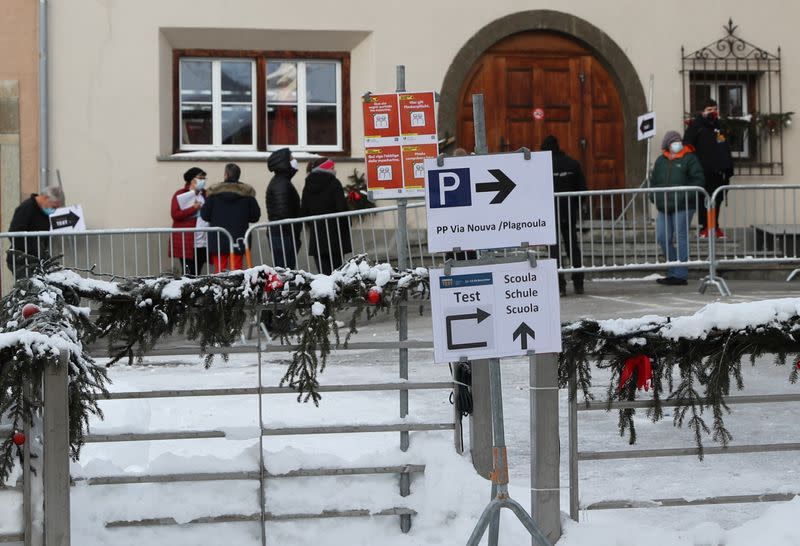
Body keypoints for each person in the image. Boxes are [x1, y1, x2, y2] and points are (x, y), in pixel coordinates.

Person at [649, 130, 705, 286]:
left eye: (678, 141)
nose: (677, 143)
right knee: (662, 237)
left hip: (683, 205)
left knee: (681, 237)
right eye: (674, 141)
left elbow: (698, 179)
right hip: (664, 206)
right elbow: (653, 183)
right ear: (667, 145)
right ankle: (673, 269)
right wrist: (654, 197)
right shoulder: (661, 161)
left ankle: (680, 274)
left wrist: (683, 196)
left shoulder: (690, 159)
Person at [541, 135, 587, 296]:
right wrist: (580, 208)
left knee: (554, 252)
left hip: (549, 214)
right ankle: (578, 283)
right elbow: (582, 189)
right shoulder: (572, 164)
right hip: (568, 212)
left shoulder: (541, 165)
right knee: (572, 247)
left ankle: (559, 286)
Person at [683, 99, 734, 238]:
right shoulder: (696, 126)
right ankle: (705, 227)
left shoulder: (720, 126)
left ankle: (714, 226)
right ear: (703, 111)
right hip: (702, 172)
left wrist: (727, 167)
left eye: (715, 109)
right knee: (703, 200)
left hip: (719, 172)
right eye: (709, 109)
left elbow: (724, 146)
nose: (713, 112)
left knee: (717, 199)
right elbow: (687, 145)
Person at [200, 163, 261, 272]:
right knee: (236, 272)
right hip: (239, 238)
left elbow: (204, 215)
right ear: (238, 175)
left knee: (219, 273)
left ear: (226, 175)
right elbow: (255, 217)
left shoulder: (214, 194)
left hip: (218, 237)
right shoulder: (247, 194)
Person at [300, 157, 352, 274]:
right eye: (332, 167)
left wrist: (314, 225)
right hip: (335, 235)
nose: (335, 169)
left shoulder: (308, 184)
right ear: (327, 167)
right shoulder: (334, 183)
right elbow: (342, 209)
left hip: (317, 237)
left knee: (323, 273)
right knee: (337, 273)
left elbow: (304, 210)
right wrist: (345, 227)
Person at [6, 185, 65, 277]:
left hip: (38, 260)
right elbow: (14, 233)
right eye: (54, 207)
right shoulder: (26, 208)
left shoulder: (43, 211)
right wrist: (30, 254)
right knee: (29, 288)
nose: (54, 210)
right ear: (45, 198)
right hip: (22, 261)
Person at [265, 148, 302, 269]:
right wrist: (293, 235)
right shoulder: (281, 184)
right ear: (284, 162)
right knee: (285, 271)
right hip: (283, 235)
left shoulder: (282, 181)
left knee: (286, 270)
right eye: (291, 159)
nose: (294, 161)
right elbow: (283, 214)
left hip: (283, 234)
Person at [169, 167, 208, 275]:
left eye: (204, 178)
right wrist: (193, 208)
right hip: (186, 241)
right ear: (191, 180)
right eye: (200, 178)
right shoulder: (180, 194)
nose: (203, 181)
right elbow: (175, 215)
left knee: (198, 272)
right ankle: (186, 292)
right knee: (188, 272)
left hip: (202, 241)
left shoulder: (205, 194)